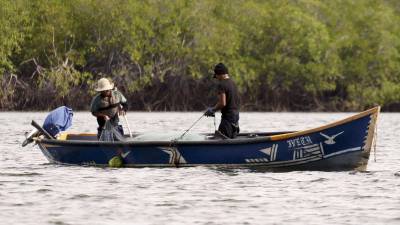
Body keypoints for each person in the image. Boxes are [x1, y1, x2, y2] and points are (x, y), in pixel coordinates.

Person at [204, 63, 240, 139]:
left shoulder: (222, 84)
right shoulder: (233, 83)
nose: (216, 78)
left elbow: (222, 103)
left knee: (221, 140)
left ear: (220, 74)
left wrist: (212, 110)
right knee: (230, 140)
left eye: (216, 76)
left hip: (227, 120)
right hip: (235, 118)